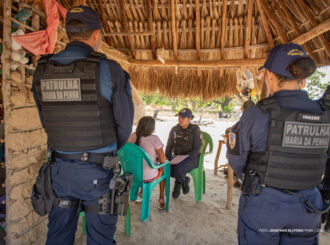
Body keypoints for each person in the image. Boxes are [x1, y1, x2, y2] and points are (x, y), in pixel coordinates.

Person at [32, 6, 134, 245]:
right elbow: (124, 127)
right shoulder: (110, 70)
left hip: (59, 172)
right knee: (100, 240)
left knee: (58, 237)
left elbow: (45, 120)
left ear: (68, 34)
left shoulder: (42, 70)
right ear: (96, 34)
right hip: (98, 173)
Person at [227, 43, 330, 244]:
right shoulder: (324, 114)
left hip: (264, 205)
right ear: (302, 78)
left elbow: (236, 161)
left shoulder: (256, 114)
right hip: (308, 206)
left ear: (271, 76)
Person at [128, 116, 167, 209]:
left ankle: (141, 192)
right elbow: (163, 160)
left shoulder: (133, 136)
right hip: (147, 177)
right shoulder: (154, 139)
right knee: (163, 168)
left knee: (143, 165)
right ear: (152, 128)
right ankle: (161, 198)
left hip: (132, 175)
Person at [165, 108, 202, 199]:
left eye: (183, 118)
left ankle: (178, 185)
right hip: (177, 156)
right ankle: (184, 180)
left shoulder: (195, 129)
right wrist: (166, 157)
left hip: (192, 158)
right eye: (179, 117)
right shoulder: (174, 129)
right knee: (165, 168)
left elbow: (197, 149)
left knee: (179, 168)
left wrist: (185, 157)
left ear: (190, 118)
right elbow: (169, 145)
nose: (180, 120)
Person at [318, 85, 330, 232]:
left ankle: (321, 216)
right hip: (323, 152)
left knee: (323, 184)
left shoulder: (320, 107)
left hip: (320, 151)